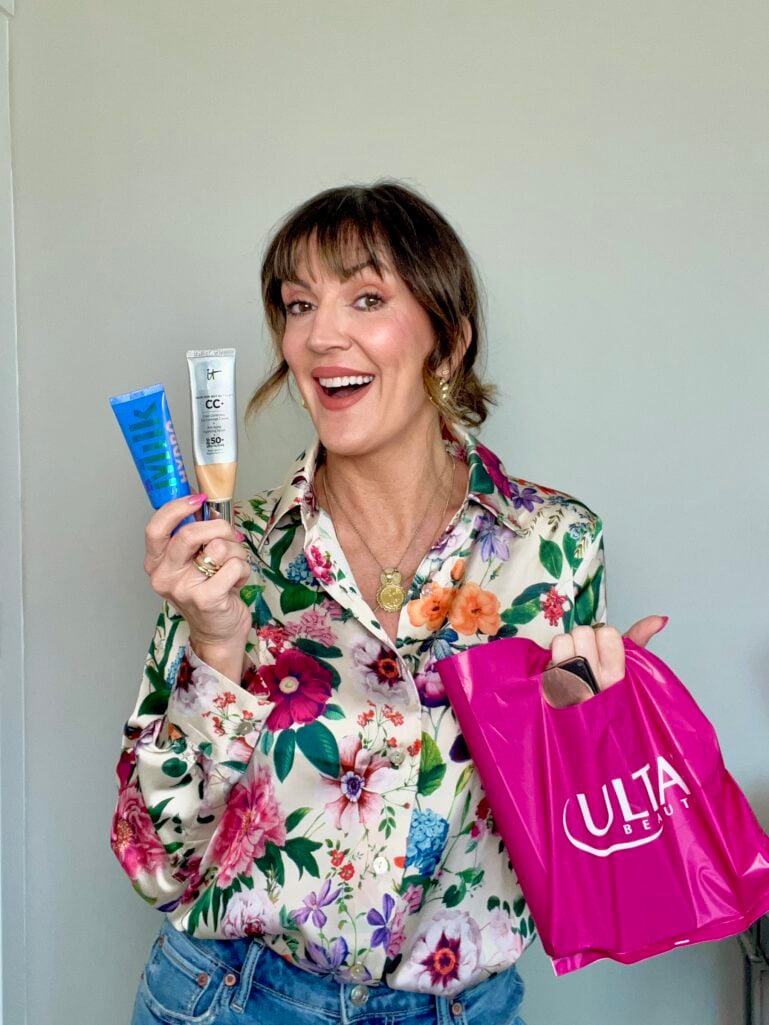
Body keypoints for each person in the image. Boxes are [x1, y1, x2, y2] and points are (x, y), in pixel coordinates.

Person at [112, 181, 665, 1025]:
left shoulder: (551, 545)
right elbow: (158, 861)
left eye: (366, 298)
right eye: (298, 306)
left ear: (446, 340)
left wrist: (576, 720)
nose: (319, 334)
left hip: (459, 1008)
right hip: (233, 1000)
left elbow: (578, 843)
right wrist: (215, 642)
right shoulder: (232, 552)